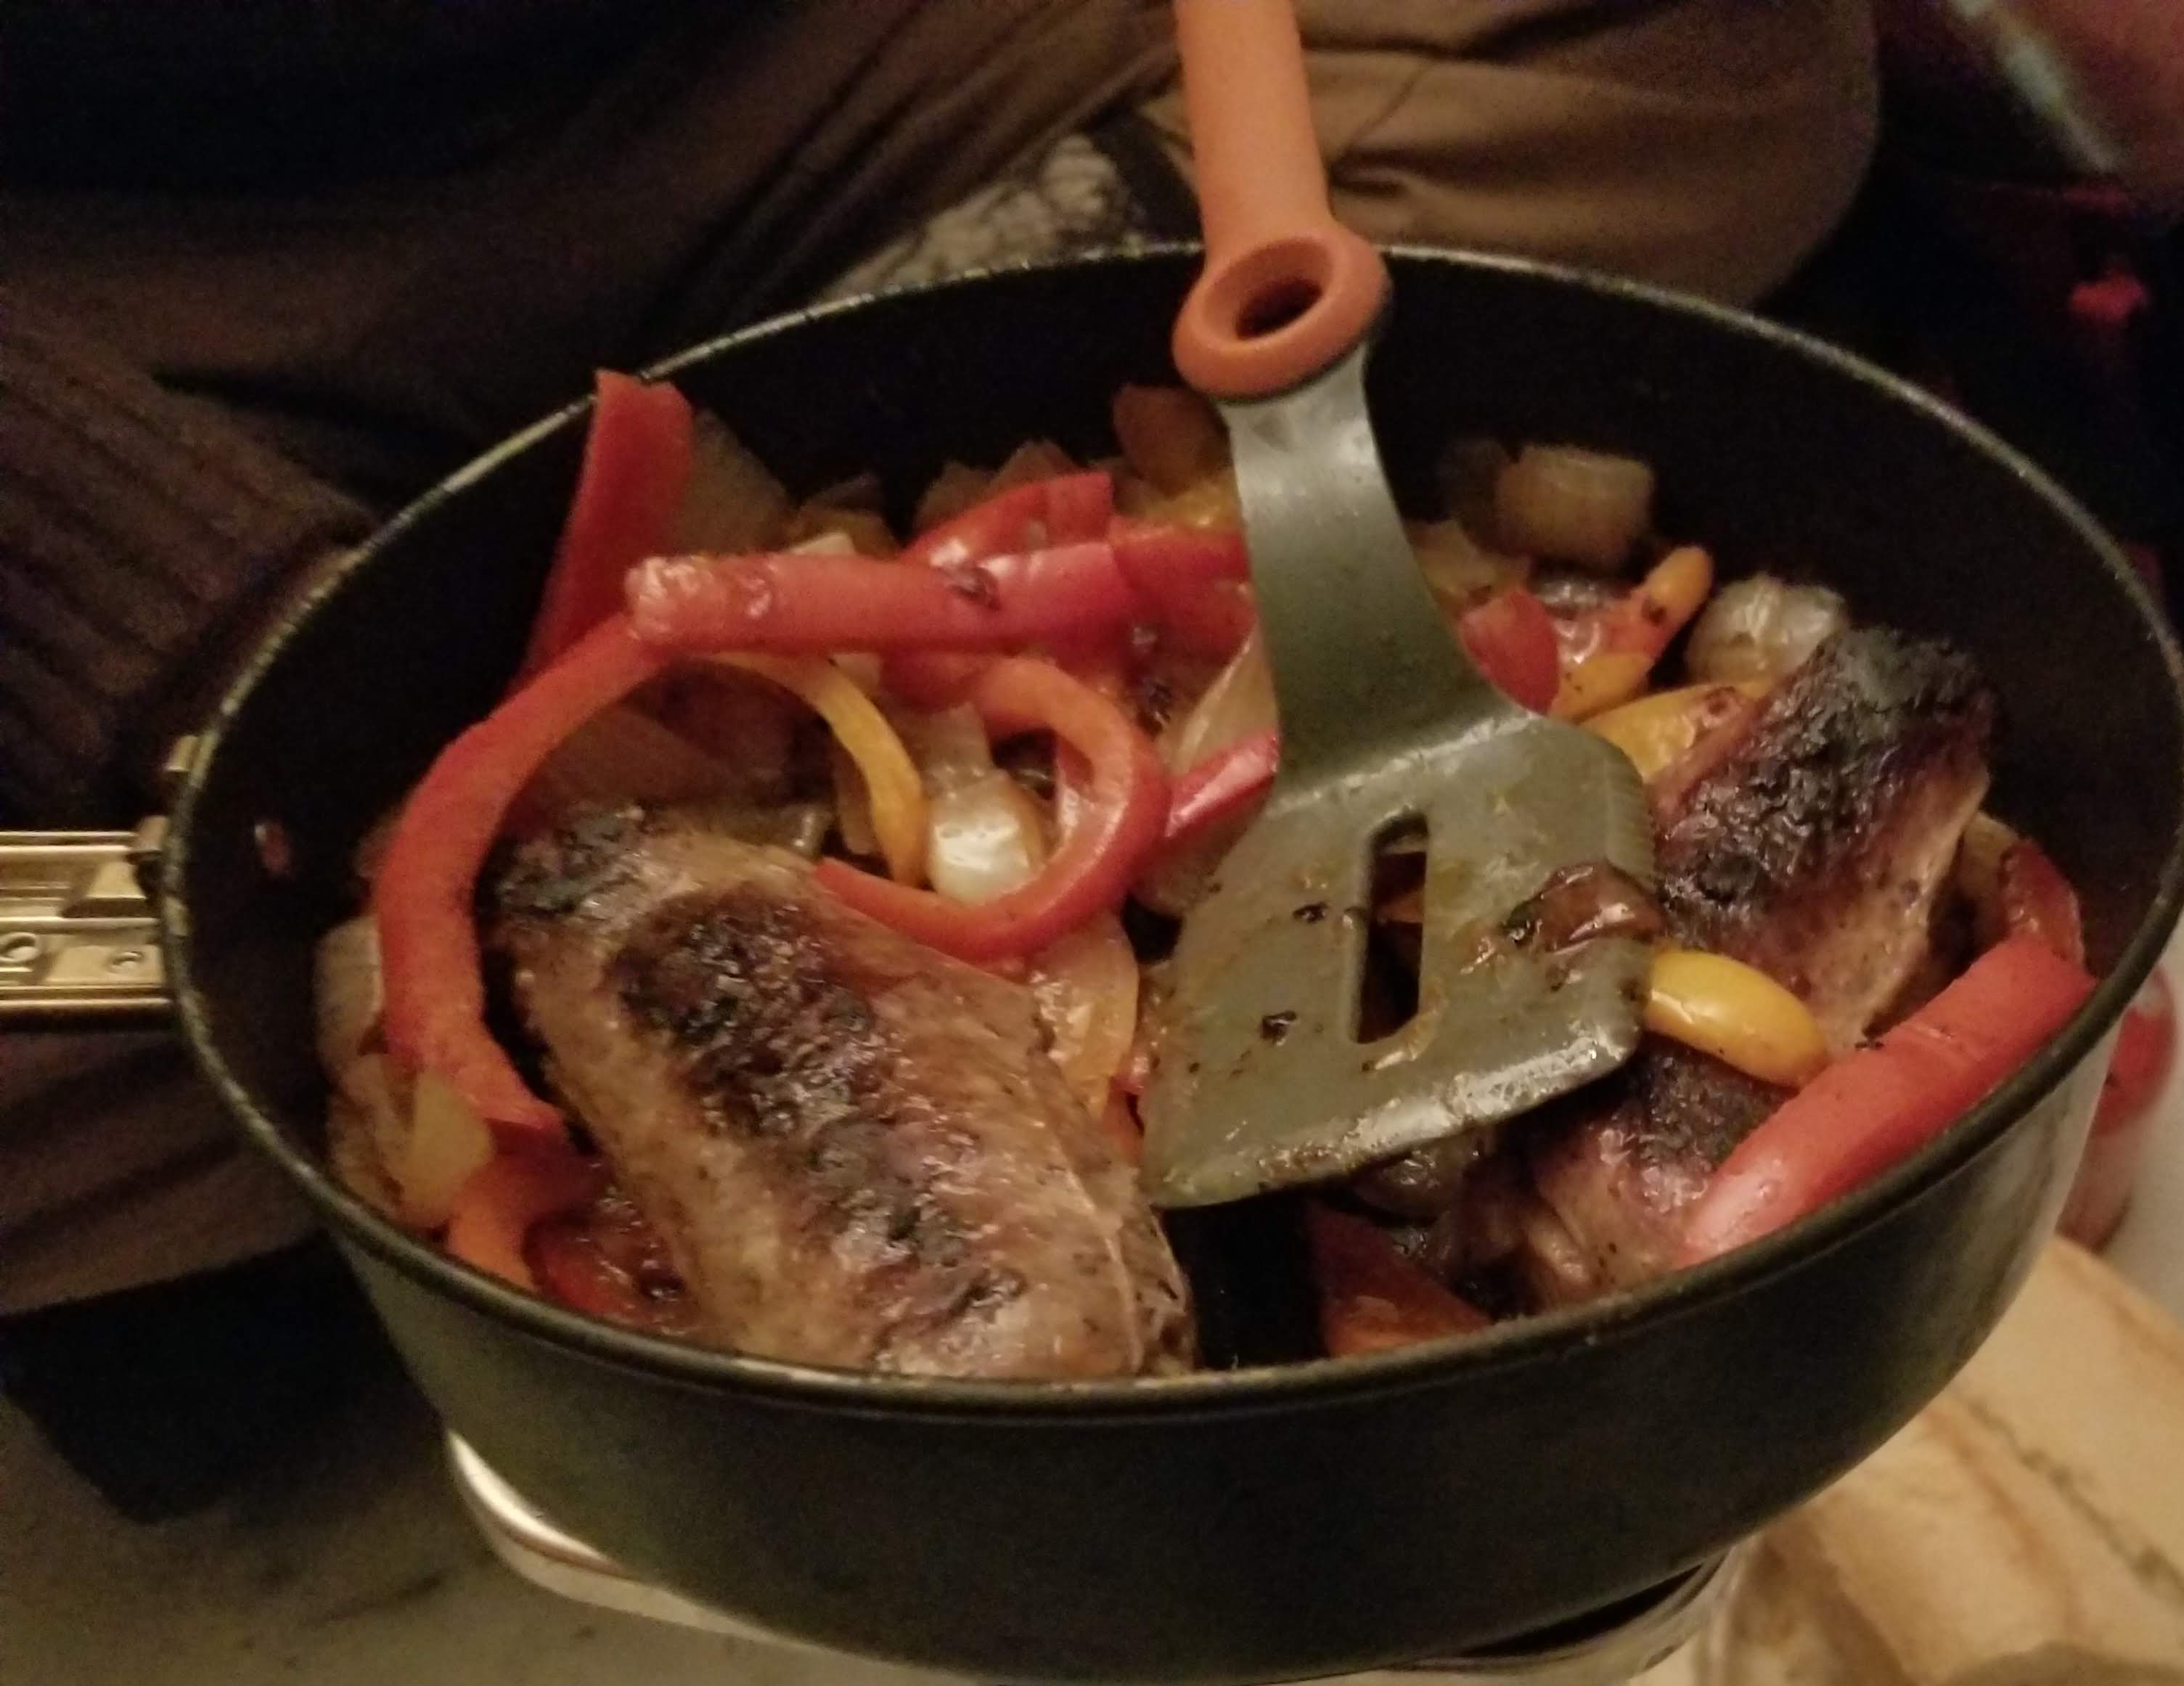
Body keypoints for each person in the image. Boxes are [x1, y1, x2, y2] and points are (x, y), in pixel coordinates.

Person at [0, 0, 1882, 1508]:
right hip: (128, 283)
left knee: (1713, 50)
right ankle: (762, 414)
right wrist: (195, 617)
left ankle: (773, 394)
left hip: (778, 68)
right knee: (105, 965)